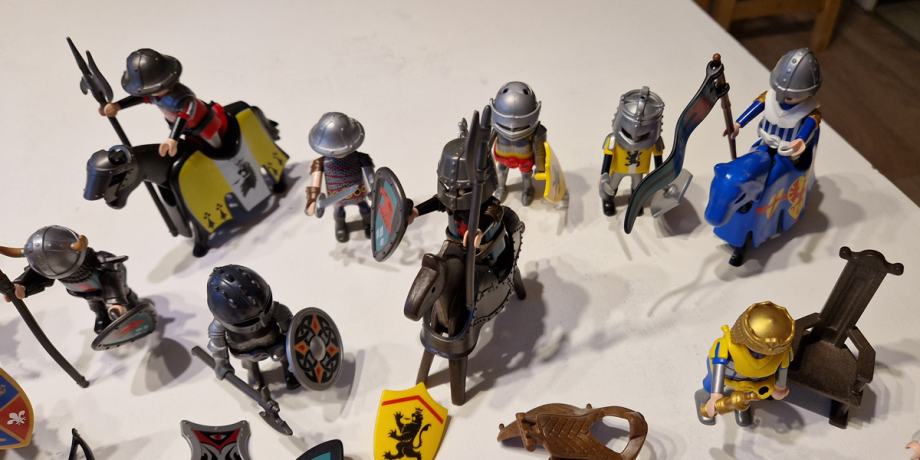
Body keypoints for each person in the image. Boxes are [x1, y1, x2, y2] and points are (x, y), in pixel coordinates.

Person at [1, 225, 141, 333]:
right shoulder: (47, 268)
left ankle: (134, 307)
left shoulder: (101, 261)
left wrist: (114, 302)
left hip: (106, 288)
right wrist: (21, 286)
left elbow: (112, 279)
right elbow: (37, 275)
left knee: (125, 295)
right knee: (95, 305)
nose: (50, 267)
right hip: (85, 292)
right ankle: (102, 316)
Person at [100, 48, 228, 157]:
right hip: (185, 129)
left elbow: (183, 117)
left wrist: (172, 138)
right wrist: (117, 106)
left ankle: (225, 155)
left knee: (215, 144)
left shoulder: (184, 98)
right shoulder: (154, 95)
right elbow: (139, 98)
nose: (148, 94)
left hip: (203, 124)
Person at [699, 301, 795, 427]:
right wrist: (715, 395)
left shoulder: (781, 352)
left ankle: (740, 407)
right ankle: (704, 399)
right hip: (726, 375)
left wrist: (779, 387)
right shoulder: (725, 346)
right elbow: (718, 367)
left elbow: (783, 367)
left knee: (744, 397)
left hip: (752, 382)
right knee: (710, 384)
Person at [206, 265, 299, 392]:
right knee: (249, 363)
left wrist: (294, 349)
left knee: (283, 353)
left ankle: (289, 368)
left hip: (274, 343)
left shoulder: (275, 309)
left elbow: (290, 330)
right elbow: (218, 347)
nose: (262, 321)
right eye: (249, 321)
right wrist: (221, 363)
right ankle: (253, 373)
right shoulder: (218, 327)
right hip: (245, 351)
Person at [727, 48, 822, 161]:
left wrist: (800, 140)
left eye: (789, 97)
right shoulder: (769, 97)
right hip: (765, 142)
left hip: (787, 150)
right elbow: (755, 108)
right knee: (752, 156)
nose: (780, 98)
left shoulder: (809, 111)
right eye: (778, 92)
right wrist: (738, 124)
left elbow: (809, 125)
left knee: (782, 167)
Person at [304, 112, 375, 242]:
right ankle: (341, 227)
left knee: (365, 209)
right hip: (335, 196)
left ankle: (369, 224)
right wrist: (312, 200)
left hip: (359, 193)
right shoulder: (321, 163)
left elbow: (371, 178)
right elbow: (315, 183)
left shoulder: (361, 158)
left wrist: (375, 190)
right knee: (338, 213)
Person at [599, 87, 665, 216]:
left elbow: (658, 160)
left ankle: (634, 203)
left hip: (638, 170)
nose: (635, 137)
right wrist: (604, 175)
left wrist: (660, 175)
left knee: (637, 188)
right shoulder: (613, 140)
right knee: (611, 186)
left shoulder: (655, 141)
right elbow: (607, 159)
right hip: (618, 169)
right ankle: (608, 201)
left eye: (642, 135)